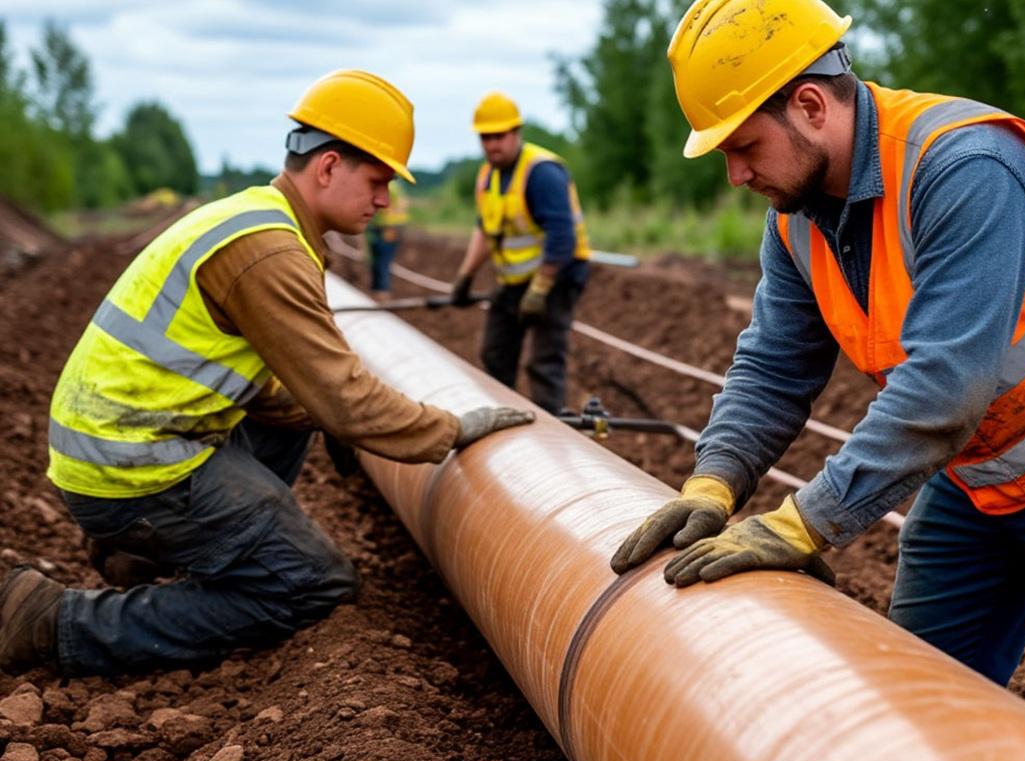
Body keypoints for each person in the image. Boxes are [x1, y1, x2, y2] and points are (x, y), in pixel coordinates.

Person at [610, 0, 1025, 761]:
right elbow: (773, 364)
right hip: (982, 471)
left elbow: (943, 389)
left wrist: (806, 524)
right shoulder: (798, 220)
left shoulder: (967, 169)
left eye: (744, 146)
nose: (736, 174)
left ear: (811, 105)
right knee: (915, 691)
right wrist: (715, 481)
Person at [0, 69, 534, 679]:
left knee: (298, 415)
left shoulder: (257, 218)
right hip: (132, 467)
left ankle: (143, 549)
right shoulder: (272, 253)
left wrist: (328, 414)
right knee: (311, 583)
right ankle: (58, 622)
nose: (385, 200)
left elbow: (299, 394)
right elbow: (345, 400)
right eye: (378, 180)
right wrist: (448, 431)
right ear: (329, 166)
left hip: (124, 446)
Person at [449, 92, 591, 414]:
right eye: (485, 137)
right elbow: (485, 230)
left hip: (558, 275)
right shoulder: (487, 177)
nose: (492, 145)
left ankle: (551, 424)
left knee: (544, 359)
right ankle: (502, 415)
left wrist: (540, 289)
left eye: (499, 136)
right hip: (515, 280)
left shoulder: (542, 173)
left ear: (516, 133)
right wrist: (464, 276)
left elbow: (561, 234)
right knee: (495, 351)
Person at [365, 177, 409, 300]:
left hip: (387, 227)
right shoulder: (397, 186)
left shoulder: (390, 187)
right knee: (381, 262)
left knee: (382, 262)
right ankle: (379, 294)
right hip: (388, 227)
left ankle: (382, 295)